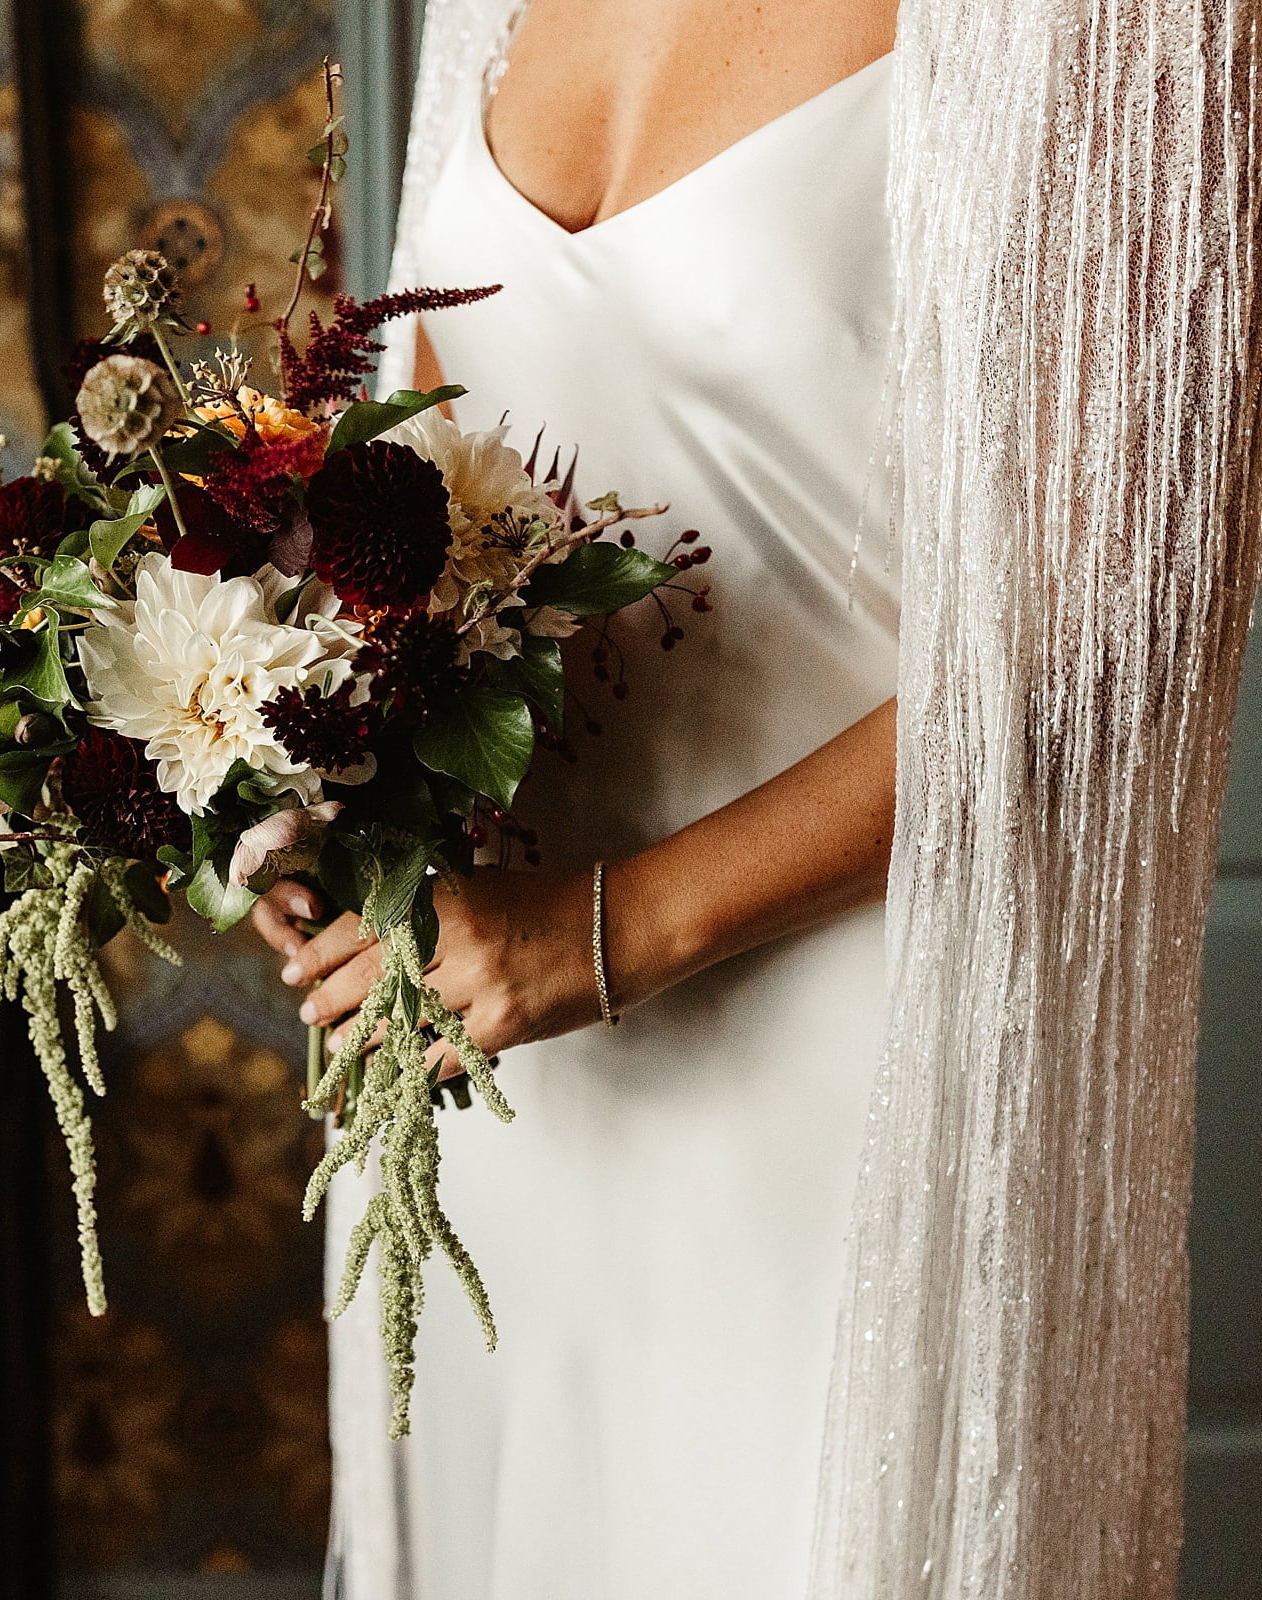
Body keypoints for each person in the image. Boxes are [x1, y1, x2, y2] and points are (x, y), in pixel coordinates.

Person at [247, 0, 904, 1592]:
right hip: (495, 1051)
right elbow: (429, 477)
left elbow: (1103, 661)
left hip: (822, 1047)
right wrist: (300, 759)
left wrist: (600, 933)